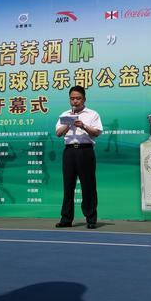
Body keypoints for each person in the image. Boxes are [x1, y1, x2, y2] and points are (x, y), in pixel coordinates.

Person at [55, 86, 103, 229]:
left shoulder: (92, 114)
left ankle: (91, 219)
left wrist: (83, 126)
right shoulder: (65, 115)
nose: (75, 101)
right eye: (72, 98)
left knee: (88, 186)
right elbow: (58, 133)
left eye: (78, 98)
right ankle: (66, 219)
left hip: (85, 151)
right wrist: (68, 124)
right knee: (68, 186)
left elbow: (96, 132)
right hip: (69, 152)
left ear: (84, 99)